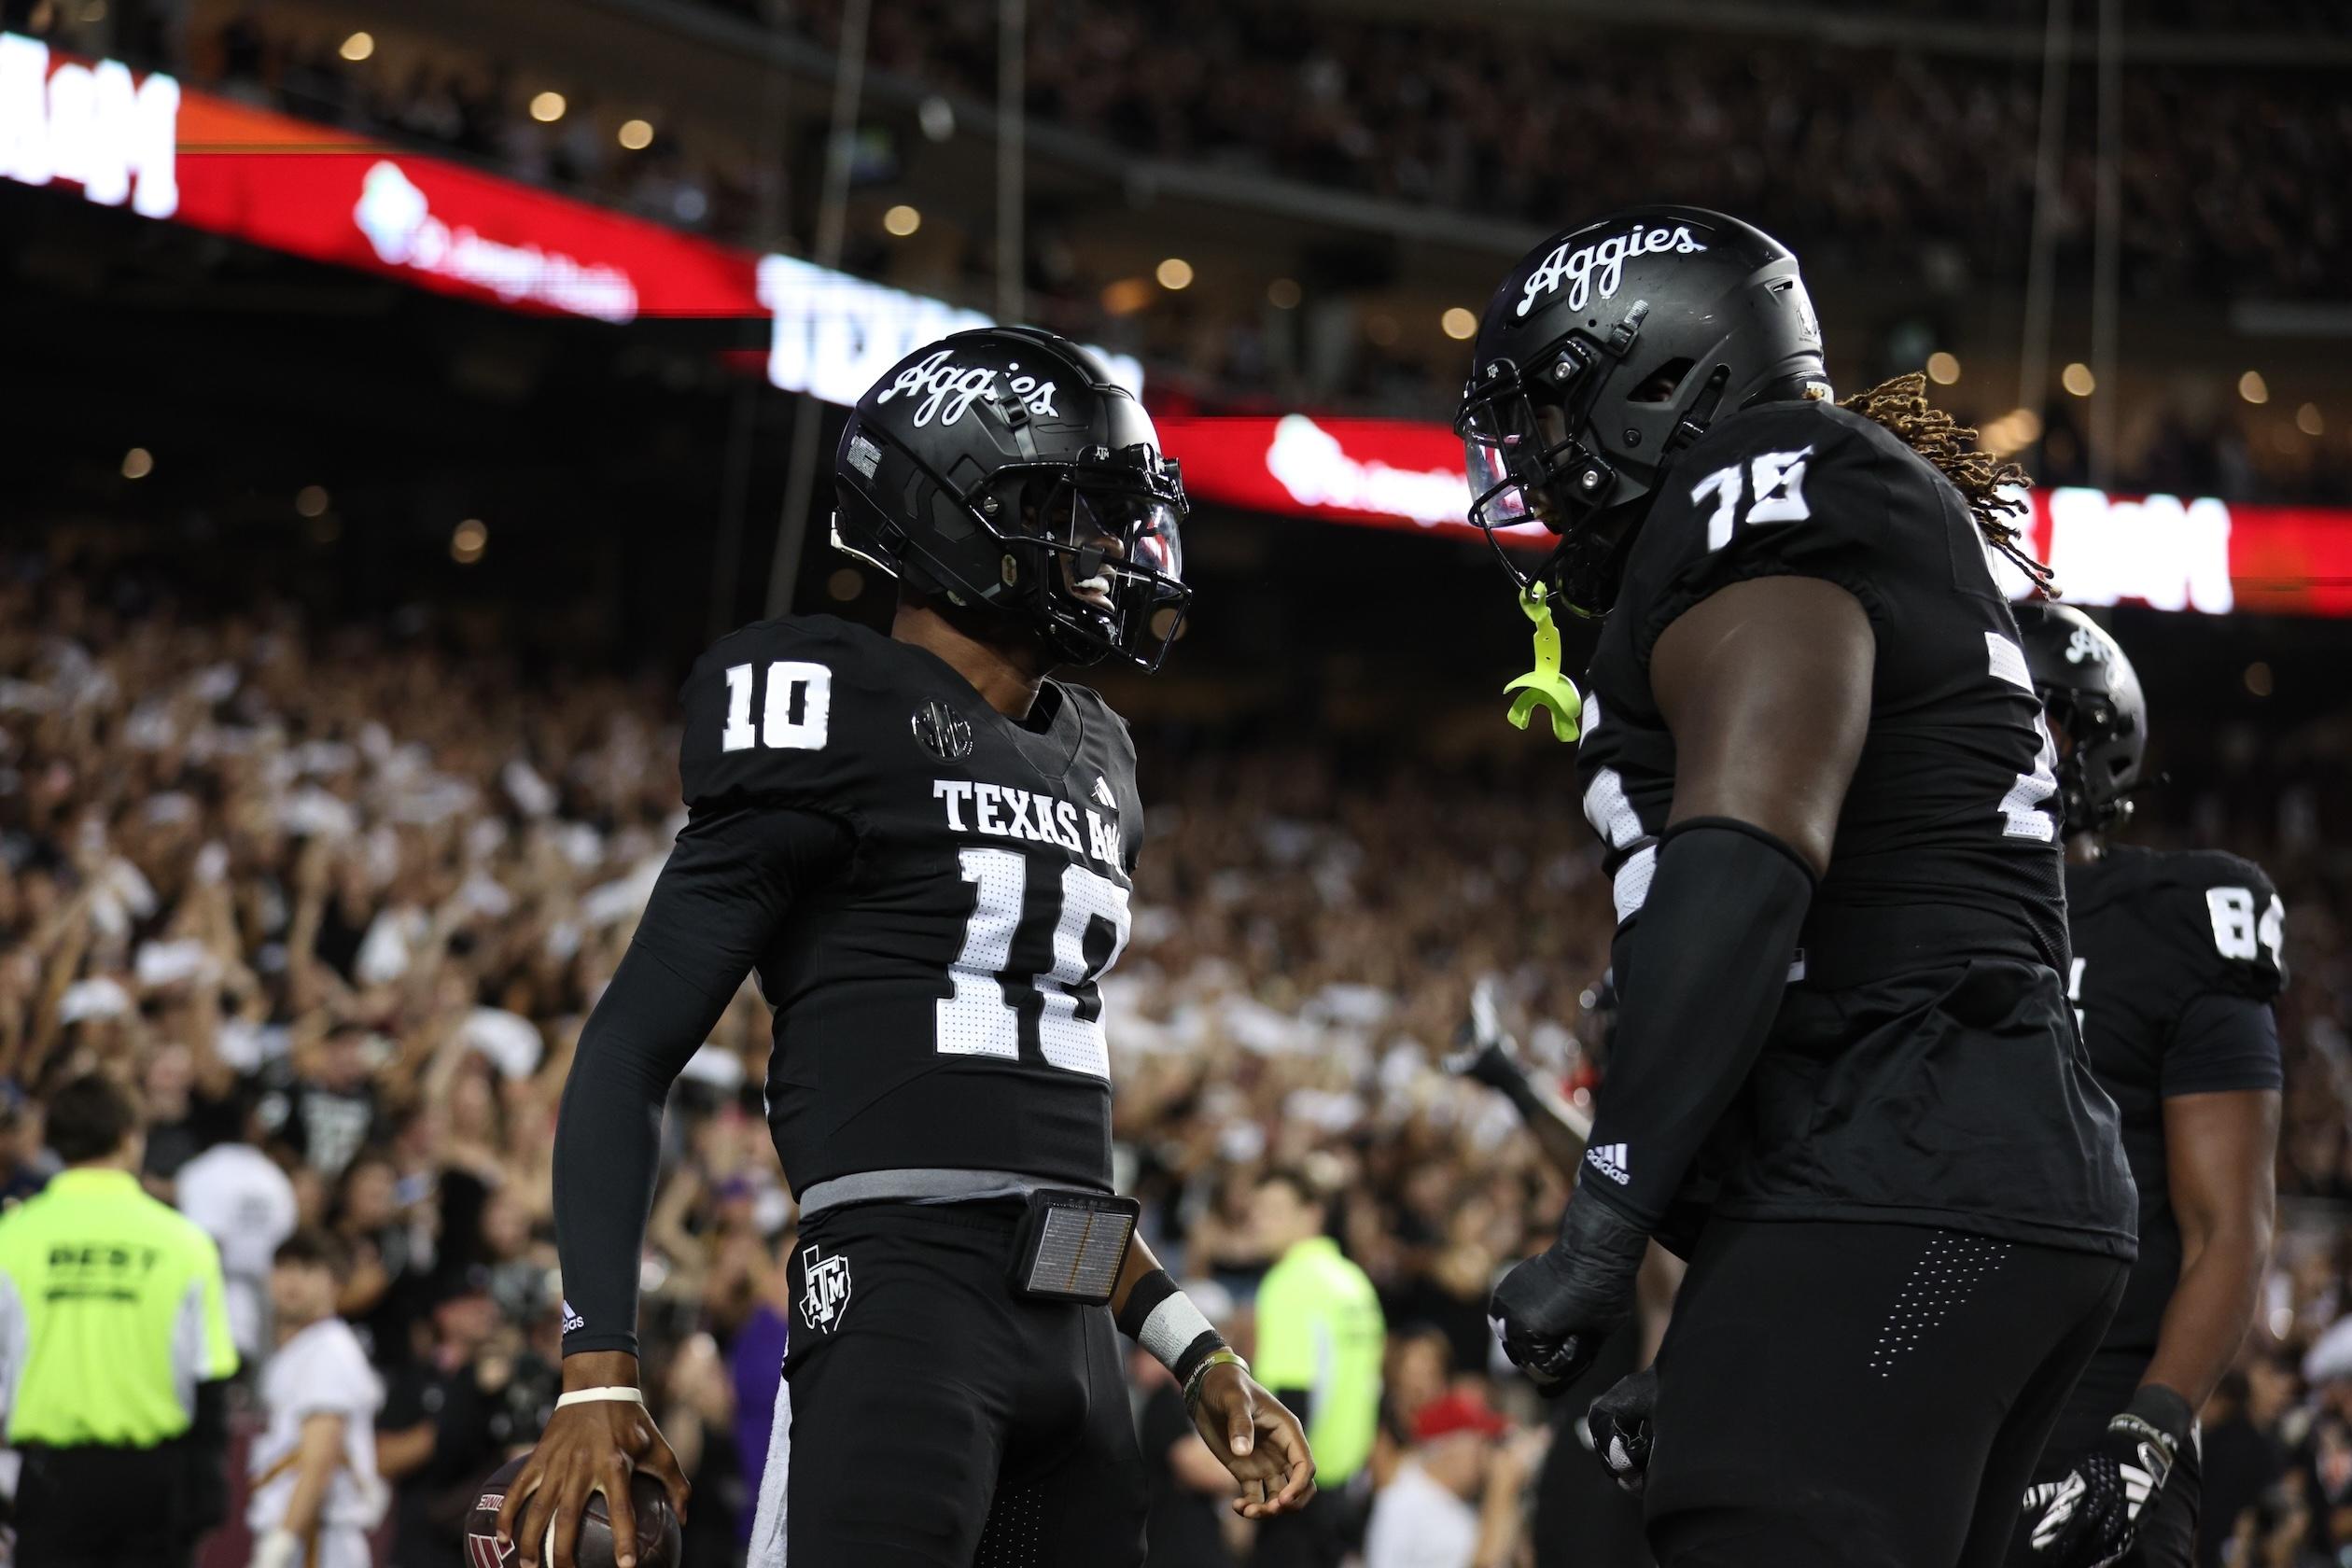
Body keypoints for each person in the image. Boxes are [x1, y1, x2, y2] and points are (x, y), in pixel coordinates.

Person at [498, 327, 1315, 1568]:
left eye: (1112, 516)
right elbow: (629, 1049)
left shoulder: (1100, 756)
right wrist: (596, 1366)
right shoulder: (827, 702)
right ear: (946, 516)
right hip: (897, 1302)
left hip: (1077, 1342)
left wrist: (1193, 1349)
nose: (1105, 553)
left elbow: (1039, 1146)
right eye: (1064, 510)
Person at [1458, 205, 2138, 1566]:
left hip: (1900, 1172)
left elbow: (1750, 858)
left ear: (1652, 379)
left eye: (1548, 408)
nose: (1529, 457)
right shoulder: (1839, 490)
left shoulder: (1766, 476)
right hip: (1953, 1172)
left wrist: (1607, 1219)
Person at [2008, 605, 2284, 1567]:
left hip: (2097, 1408)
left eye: (2023, 712)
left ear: (2089, 733)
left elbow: (2228, 1227)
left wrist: (2148, 1431)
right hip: (1905, 1411)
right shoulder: (1882, 918)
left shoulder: (2179, 918)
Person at [0, 1072, 240, 1567]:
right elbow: (210, 1376)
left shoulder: (12, 1237)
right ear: (131, 1139)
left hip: (51, 1480)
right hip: (154, 1484)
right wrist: (207, 1493)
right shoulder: (185, 1242)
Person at [1249, 1167, 1384, 1568]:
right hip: (1345, 1493)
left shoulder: (1290, 1282)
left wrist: (1268, 1490)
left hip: (1297, 1493)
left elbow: (1292, 1399)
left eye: (1274, 1209)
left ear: (1311, 1215)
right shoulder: (1355, 1283)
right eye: (1257, 1208)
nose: (1258, 1220)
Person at [246, 1229, 387, 1568]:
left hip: (318, 1540)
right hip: (309, 1536)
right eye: (284, 1267)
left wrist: (283, 1540)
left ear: (336, 1283)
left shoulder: (328, 1350)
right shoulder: (302, 1348)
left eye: (308, 1269)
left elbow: (319, 1457)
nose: (292, 1280)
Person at [1363, 1389, 1544, 1568]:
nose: (1487, 1456)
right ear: (1449, 1446)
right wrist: (1501, 1490)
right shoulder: (1401, 1502)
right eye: (1482, 1443)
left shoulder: (1466, 1498)